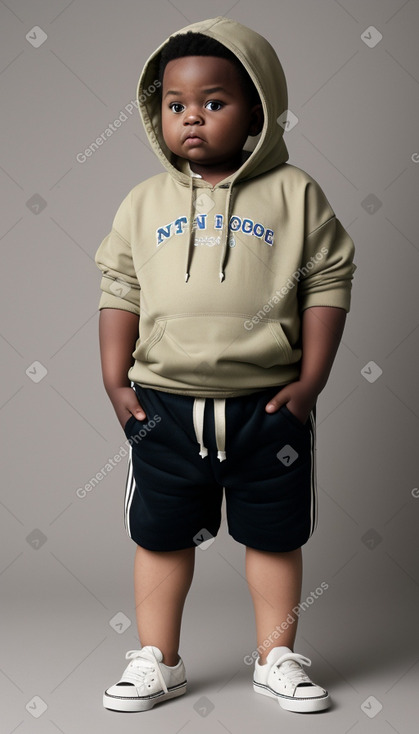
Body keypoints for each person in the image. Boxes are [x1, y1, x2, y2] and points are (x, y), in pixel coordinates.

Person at [94, 16, 356, 715]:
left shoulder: (295, 194)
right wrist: (115, 382)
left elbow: (327, 281)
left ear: (258, 111)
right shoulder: (144, 201)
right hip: (164, 409)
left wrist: (310, 383)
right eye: (175, 104)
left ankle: (275, 657)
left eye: (214, 102)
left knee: (272, 536)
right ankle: (159, 659)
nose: (191, 118)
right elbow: (118, 288)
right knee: (159, 534)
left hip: (268, 407)